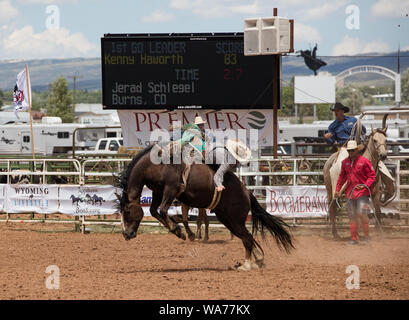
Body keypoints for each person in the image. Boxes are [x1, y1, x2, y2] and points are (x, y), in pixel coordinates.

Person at [335, 140, 376, 245]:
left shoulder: (365, 161)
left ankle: (367, 237)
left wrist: (366, 185)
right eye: (349, 151)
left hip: (363, 193)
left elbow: (372, 176)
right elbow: (341, 178)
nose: (351, 153)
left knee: (362, 214)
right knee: (352, 216)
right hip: (350, 193)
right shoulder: (345, 163)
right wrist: (337, 190)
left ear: (357, 150)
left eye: (353, 150)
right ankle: (354, 239)